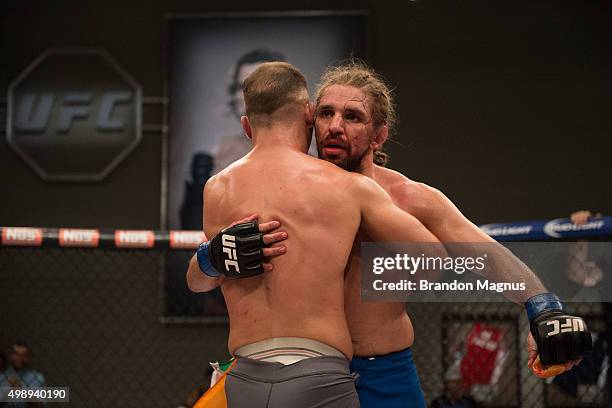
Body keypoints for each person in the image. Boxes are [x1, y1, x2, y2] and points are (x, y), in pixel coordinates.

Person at [195, 60, 591, 408]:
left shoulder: (409, 198)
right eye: (327, 113)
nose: (335, 126)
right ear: (308, 119)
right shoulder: (283, 190)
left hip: (382, 370)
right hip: (300, 367)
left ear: (378, 135)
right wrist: (212, 256)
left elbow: (479, 250)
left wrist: (541, 304)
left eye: (352, 117)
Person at [190, 61, 445, 408]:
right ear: (309, 116)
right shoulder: (346, 186)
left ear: (247, 126)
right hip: (319, 375)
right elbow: (435, 260)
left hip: (246, 377)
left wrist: (210, 257)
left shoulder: (216, 189)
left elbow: (197, 282)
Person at [0, 342, 46, 407]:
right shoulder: (2, 376)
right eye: (17, 354)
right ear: (11, 355)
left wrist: (22, 391)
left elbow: (40, 405)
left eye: (24, 355)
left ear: (28, 358)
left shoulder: (37, 378)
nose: (20, 358)